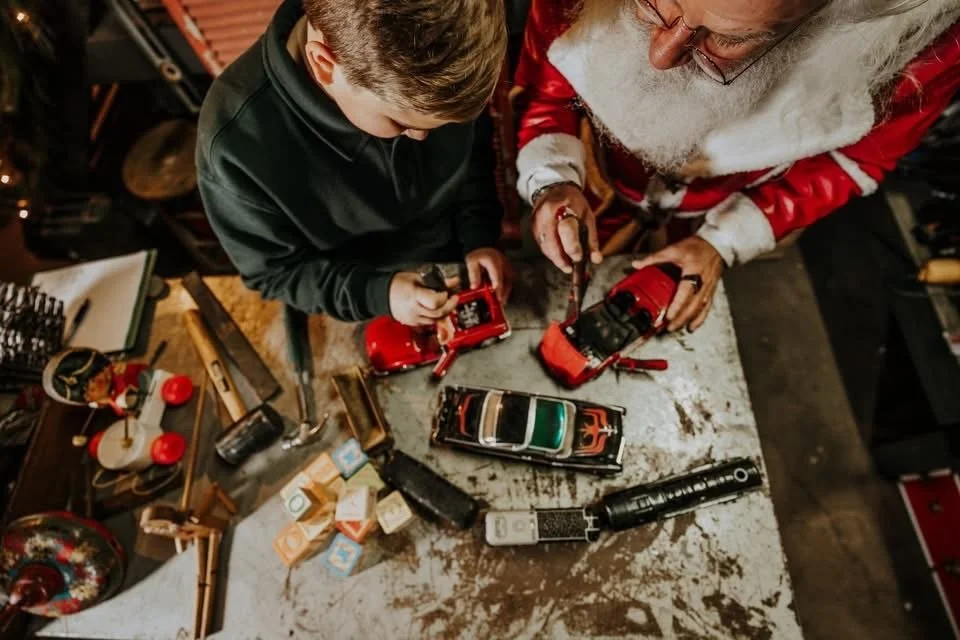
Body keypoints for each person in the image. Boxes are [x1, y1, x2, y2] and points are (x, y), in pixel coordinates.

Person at [513, 0, 960, 331]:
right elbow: (545, 80)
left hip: (705, 217)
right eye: (653, 4)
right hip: (597, 180)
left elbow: (859, 157)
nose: (661, 57)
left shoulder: (925, 46)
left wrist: (722, 243)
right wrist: (552, 178)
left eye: (728, 38)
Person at [197, 0, 512, 327]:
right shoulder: (234, 147)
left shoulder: (451, 56)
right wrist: (378, 294)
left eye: (445, 125)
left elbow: (471, 153)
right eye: (399, 123)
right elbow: (275, 273)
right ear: (324, 65)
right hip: (353, 298)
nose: (422, 138)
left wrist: (478, 235)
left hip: (454, 251)